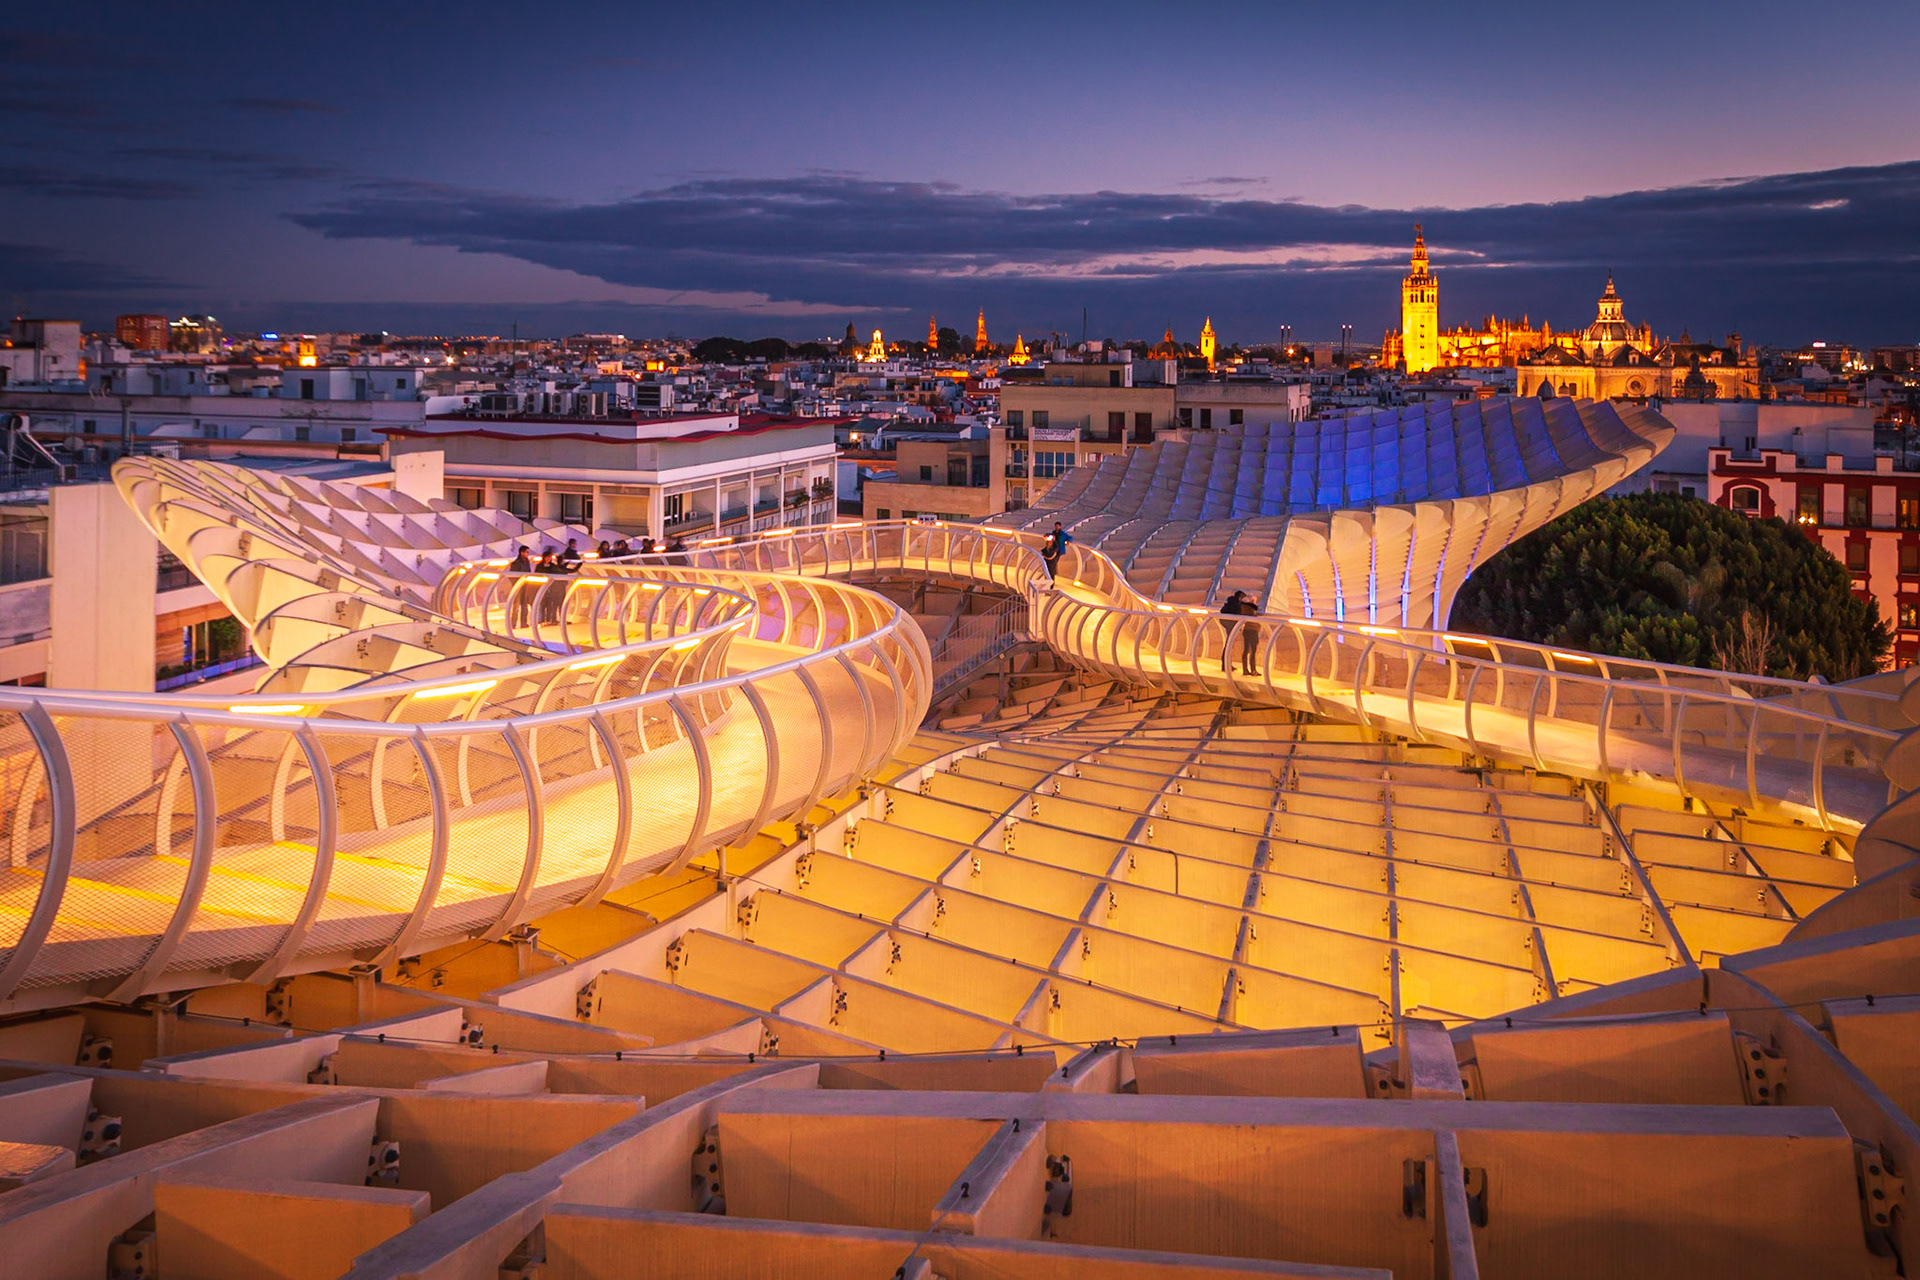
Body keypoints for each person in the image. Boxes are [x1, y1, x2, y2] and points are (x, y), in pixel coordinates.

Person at [1219, 589, 1260, 676]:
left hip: (1228, 623)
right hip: (1233, 625)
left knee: (1229, 644)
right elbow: (1251, 611)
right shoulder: (1239, 604)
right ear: (1240, 597)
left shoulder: (1231, 602)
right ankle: (1226, 665)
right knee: (1230, 645)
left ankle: (1226, 665)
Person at [508, 546, 532, 627]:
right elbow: (512, 576)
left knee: (524, 604)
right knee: (516, 605)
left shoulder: (527, 562)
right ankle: (513, 624)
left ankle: (523, 622)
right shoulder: (516, 563)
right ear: (521, 552)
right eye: (526, 552)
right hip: (518, 586)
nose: (528, 554)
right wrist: (516, 584)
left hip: (525, 586)